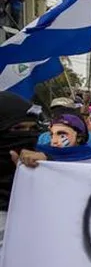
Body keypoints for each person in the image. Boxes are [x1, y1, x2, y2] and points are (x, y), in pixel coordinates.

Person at [0, 92, 42, 247]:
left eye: (33, 128)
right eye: (18, 128)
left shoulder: (41, 166)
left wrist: (48, 167)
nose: (27, 135)